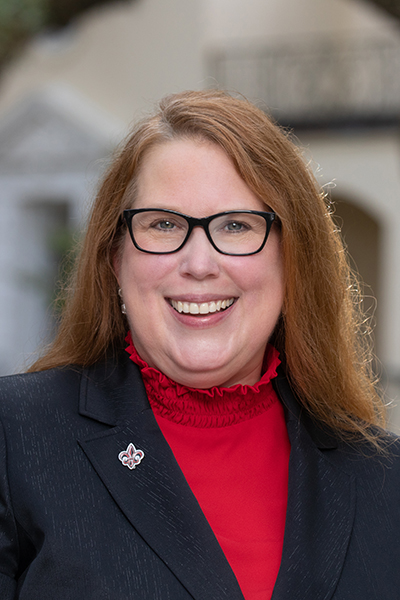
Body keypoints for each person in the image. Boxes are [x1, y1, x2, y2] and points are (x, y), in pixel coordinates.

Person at [0, 90, 399, 600]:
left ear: (292, 261)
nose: (199, 262)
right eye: (163, 225)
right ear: (114, 259)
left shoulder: (386, 483)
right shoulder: (15, 441)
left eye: (236, 226)